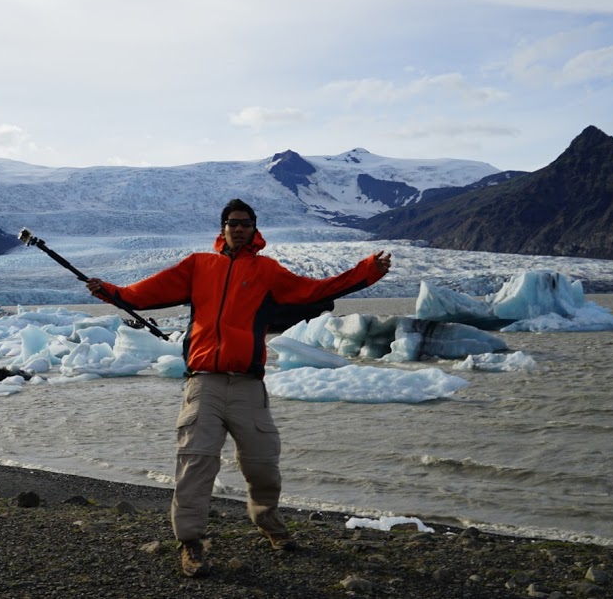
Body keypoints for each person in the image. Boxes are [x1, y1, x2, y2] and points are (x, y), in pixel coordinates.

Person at [86, 198, 392, 578]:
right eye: (233, 222)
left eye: (245, 223)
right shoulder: (198, 266)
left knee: (262, 464)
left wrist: (368, 272)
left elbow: (315, 290)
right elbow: (144, 293)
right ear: (223, 228)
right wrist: (109, 291)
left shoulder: (266, 271)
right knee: (196, 461)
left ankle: (270, 525)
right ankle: (191, 542)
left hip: (248, 384)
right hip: (205, 383)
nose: (239, 228)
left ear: (254, 228)